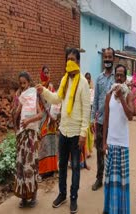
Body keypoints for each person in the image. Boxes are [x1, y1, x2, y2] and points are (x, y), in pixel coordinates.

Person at [36, 48, 90, 214]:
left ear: (78, 62)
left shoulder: (83, 82)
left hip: (76, 134)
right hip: (63, 131)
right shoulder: (65, 79)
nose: (70, 62)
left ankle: (73, 198)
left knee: (74, 166)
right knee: (62, 165)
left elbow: (87, 110)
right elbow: (57, 98)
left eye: (73, 59)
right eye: (68, 59)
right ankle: (62, 194)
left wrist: (83, 133)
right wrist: (43, 91)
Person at [103, 64, 134, 214]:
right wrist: (104, 142)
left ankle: (121, 210)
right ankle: (110, 209)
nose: (119, 77)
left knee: (121, 181)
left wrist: (121, 97)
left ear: (125, 77)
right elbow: (106, 120)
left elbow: (131, 116)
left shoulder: (128, 94)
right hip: (110, 142)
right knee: (109, 179)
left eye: (122, 75)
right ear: (115, 76)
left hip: (122, 143)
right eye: (117, 75)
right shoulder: (109, 95)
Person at [13, 71, 43, 208]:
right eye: (21, 84)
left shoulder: (34, 96)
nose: (23, 86)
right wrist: (16, 127)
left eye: (25, 83)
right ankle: (24, 197)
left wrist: (28, 121)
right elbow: (17, 113)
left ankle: (33, 196)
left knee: (31, 165)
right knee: (21, 165)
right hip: (22, 134)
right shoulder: (23, 97)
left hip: (31, 135)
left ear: (29, 83)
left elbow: (40, 114)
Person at [91, 47, 115, 191]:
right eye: (105, 57)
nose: (107, 59)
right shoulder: (99, 78)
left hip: (113, 122)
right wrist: (92, 119)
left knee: (112, 151)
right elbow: (96, 99)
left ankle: (110, 179)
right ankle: (99, 178)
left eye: (109, 57)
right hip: (100, 122)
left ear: (113, 58)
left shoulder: (117, 77)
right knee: (100, 151)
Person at [38, 66, 59, 180]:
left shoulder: (51, 87)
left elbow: (55, 101)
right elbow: (40, 104)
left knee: (52, 141)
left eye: (48, 72)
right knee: (43, 143)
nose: (46, 74)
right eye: (44, 72)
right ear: (41, 73)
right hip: (43, 118)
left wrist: (54, 116)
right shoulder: (39, 87)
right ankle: (43, 170)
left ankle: (52, 168)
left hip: (52, 119)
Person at [84, 72, 94, 158]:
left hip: (90, 112)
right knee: (85, 132)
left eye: (89, 78)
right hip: (84, 113)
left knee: (90, 132)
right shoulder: (83, 89)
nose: (88, 80)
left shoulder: (91, 90)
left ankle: (89, 150)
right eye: (86, 78)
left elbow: (93, 102)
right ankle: (86, 152)